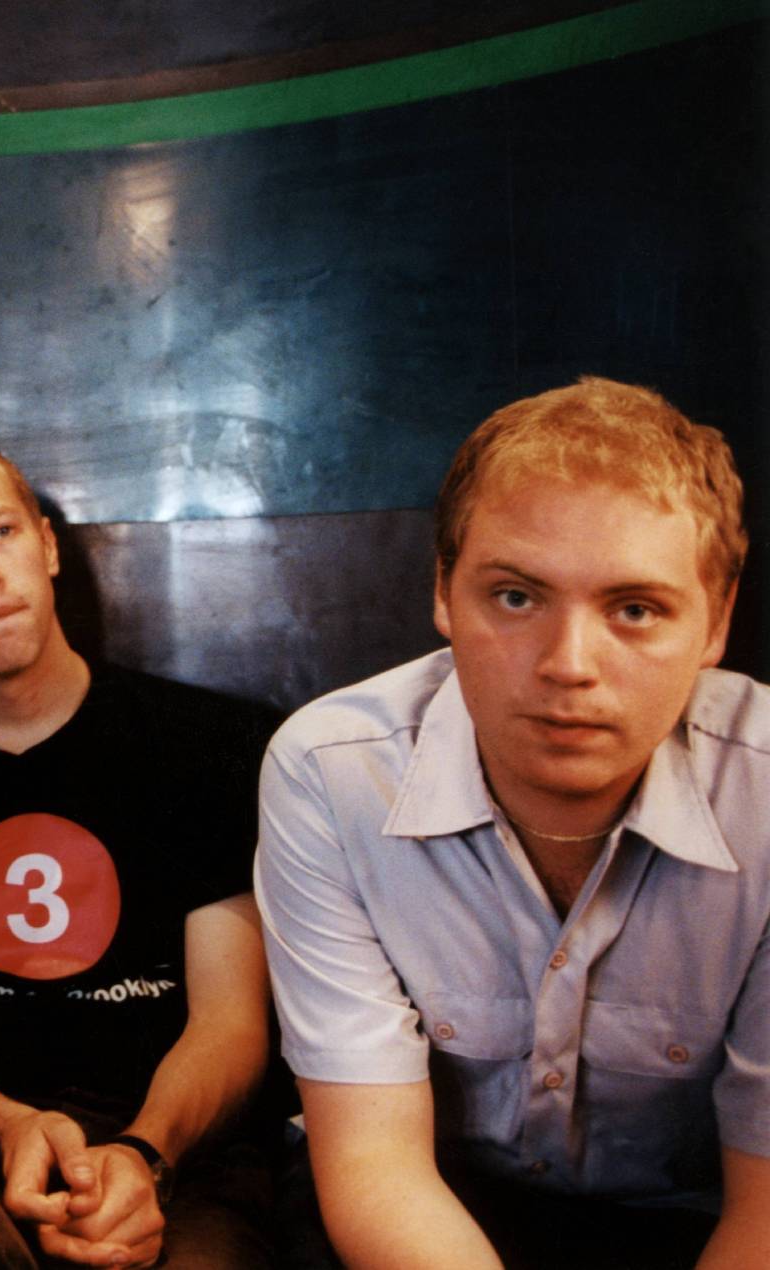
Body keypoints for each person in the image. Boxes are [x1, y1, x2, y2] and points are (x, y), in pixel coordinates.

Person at [255, 377, 770, 1269]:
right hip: (432, 1214)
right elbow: (375, 1165)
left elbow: (763, 1213)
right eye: (517, 598)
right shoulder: (331, 773)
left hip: (692, 1223)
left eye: (635, 610)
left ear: (716, 622)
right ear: (445, 593)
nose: (570, 666)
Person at [0, 439, 280, 1268]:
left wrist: (144, 1153)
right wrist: (7, 1124)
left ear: (46, 544)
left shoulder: (210, 745)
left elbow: (231, 1021)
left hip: (176, 1132)